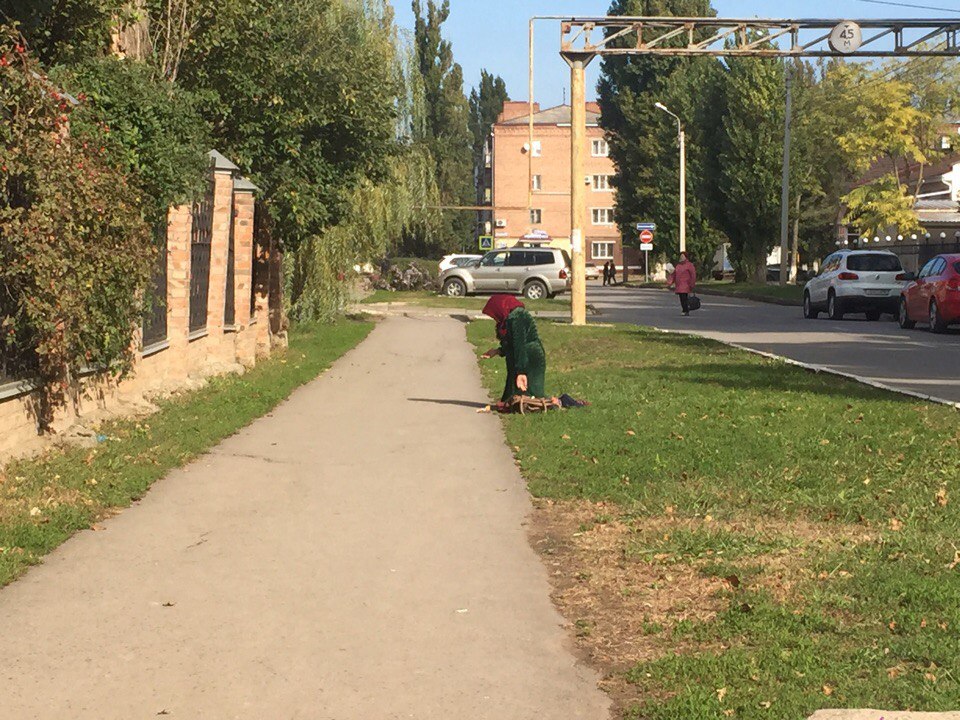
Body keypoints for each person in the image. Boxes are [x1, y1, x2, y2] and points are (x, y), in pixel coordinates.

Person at [481, 294, 547, 402]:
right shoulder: (508, 318)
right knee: (511, 399)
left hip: (529, 357)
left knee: (532, 395)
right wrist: (497, 351)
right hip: (520, 358)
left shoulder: (517, 316)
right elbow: (511, 343)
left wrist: (521, 372)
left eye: (494, 315)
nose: (495, 318)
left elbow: (519, 344)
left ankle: (560, 402)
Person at [667, 251, 697, 316]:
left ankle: (685, 310)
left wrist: (692, 284)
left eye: (682, 256)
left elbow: (693, 275)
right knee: (682, 298)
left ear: (686, 257)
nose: (681, 257)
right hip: (679, 285)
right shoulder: (678, 266)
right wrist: (670, 282)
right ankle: (685, 309)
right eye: (680, 256)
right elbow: (674, 274)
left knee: (684, 298)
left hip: (686, 284)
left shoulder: (689, 265)